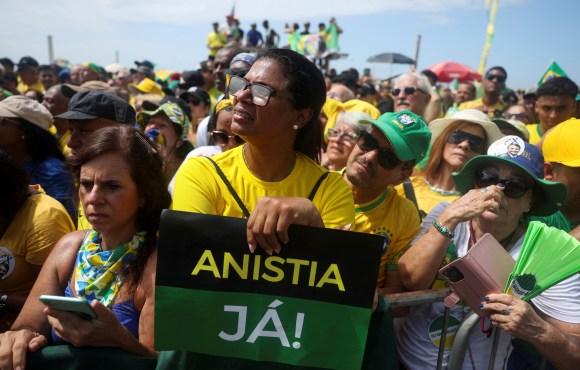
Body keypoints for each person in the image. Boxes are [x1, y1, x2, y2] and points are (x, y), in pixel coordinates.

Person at [0, 126, 171, 366]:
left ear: (144, 194)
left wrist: (119, 341)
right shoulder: (69, 248)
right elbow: (26, 326)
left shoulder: (158, 263)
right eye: (86, 184)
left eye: (112, 186)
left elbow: (163, 363)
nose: (93, 198)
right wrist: (21, 338)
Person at [397, 136, 567, 369]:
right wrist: (449, 219)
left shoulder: (539, 252)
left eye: (514, 187)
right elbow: (411, 280)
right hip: (408, 363)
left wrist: (537, 328)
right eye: (487, 178)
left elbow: (573, 350)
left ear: (530, 200)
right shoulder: (446, 214)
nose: (496, 190)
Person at [172, 48, 354, 255]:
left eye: (261, 91)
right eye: (241, 84)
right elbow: (186, 264)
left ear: (301, 117)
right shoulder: (202, 173)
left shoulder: (331, 190)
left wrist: (314, 225)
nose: (241, 96)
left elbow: (335, 279)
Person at [341, 111, 431, 295]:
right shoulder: (314, 183)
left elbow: (399, 300)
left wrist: (363, 294)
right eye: (368, 142)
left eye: (387, 157)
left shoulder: (404, 214)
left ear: (403, 175)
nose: (370, 157)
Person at [0, 154, 75, 332]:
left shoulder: (43, 219)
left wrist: (3, 301)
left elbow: (59, 303)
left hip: (28, 337)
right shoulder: (6, 209)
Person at [395, 109, 504, 218]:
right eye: (457, 136)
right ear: (443, 140)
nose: (464, 144)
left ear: (482, 153)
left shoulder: (479, 204)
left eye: (476, 142)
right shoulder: (403, 186)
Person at [55, 90, 136, 229]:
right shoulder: (81, 173)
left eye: (84, 131)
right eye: (70, 130)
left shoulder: (140, 177)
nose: (71, 142)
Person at [0, 96, 76, 218]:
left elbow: (62, 218)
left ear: (24, 131)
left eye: (2, 121)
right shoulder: (7, 161)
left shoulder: (52, 172)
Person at [137, 101, 193, 182]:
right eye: (150, 122)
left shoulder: (185, 174)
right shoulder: (133, 164)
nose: (153, 127)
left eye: (162, 125)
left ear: (179, 141)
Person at [526, 76, 577, 146]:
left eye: (561, 109)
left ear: (574, 106)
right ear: (537, 106)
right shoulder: (523, 135)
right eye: (547, 108)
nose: (553, 116)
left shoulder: (577, 134)